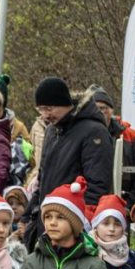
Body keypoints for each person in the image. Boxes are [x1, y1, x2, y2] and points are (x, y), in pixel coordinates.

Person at [21, 78, 113, 238]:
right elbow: (43, 180)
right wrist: (27, 216)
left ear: (64, 102)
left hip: (72, 229)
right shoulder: (51, 131)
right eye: (40, 110)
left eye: (49, 108)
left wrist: (75, 225)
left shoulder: (94, 132)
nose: (44, 115)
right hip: (47, 224)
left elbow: (97, 187)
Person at [90, 86, 135, 197]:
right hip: (91, 203)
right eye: (94, 109)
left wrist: (129, 205)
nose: (98, 113)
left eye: (102, 108)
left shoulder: (131, 137)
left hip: (123, 203)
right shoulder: (80, 135)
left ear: (111, 111)